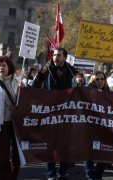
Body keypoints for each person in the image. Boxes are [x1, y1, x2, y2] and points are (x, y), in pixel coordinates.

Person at [32, 47, 78, 180]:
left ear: (65, 57)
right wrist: (40, 75)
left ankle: (63, 172)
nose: (55, 58)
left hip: (66, 113)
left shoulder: (72, 71)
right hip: (50, 113)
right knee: (49, 144)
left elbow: (79, 89)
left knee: (65, 144)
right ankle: (51, 174)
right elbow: (35, 87)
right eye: (54, 55)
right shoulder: (46, 70)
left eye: (59, 55)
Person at [83, 71, 108, 180]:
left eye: (102, 79)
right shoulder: (86, 91)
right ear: (93, 80)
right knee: (88, 154)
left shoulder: (109, 93)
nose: (100, 81)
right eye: (97, 79)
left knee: (103, 154)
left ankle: (98, 176)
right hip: (89, 128)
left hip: (103, 128)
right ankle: (90, 177)